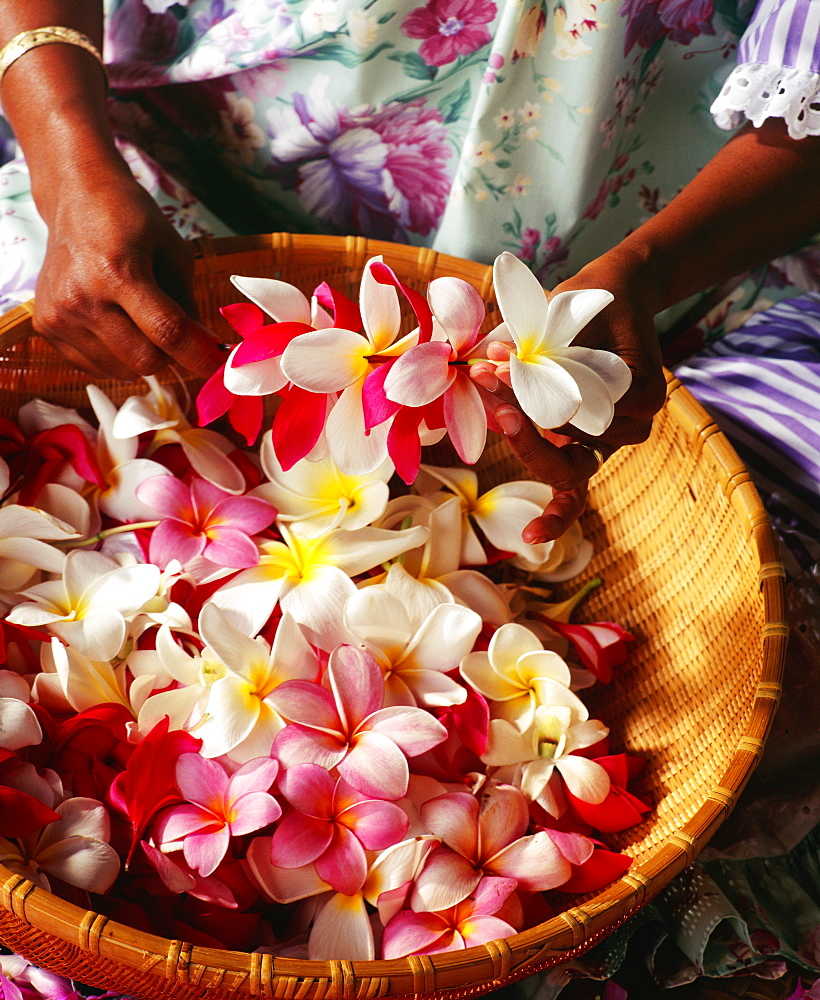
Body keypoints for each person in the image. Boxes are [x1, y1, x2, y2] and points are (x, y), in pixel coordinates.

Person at [0, 0, 818, 992]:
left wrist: (641, 282)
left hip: (659, 270)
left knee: (765, 652)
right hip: (173, 185)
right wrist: (65, 154)